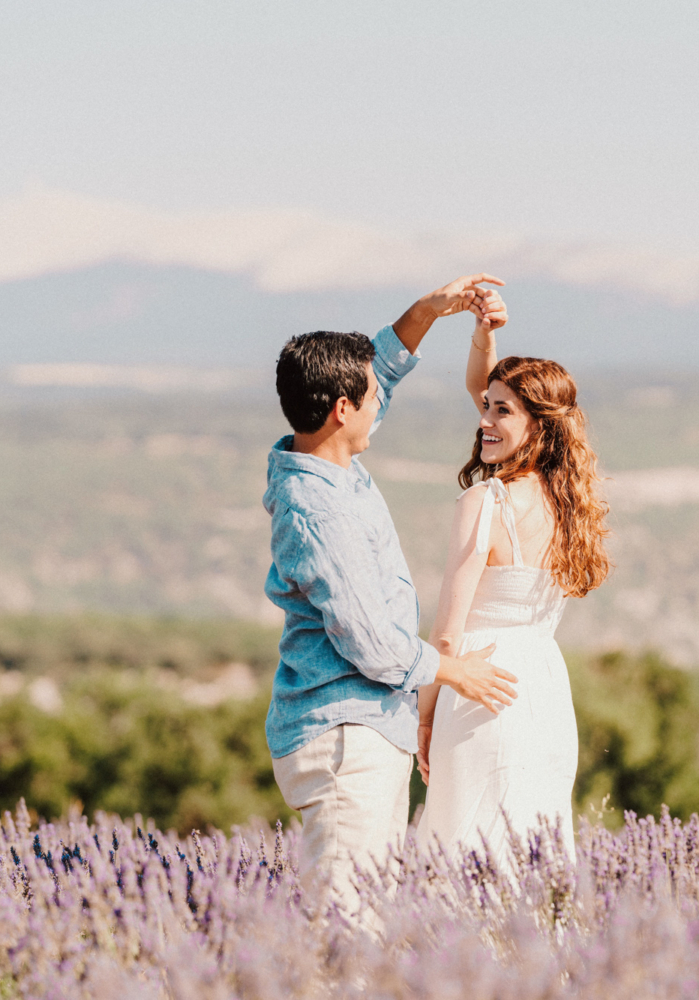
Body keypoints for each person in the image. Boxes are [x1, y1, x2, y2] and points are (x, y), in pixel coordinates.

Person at [263, 274, 521, 915]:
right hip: (348, 730)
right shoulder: (319, 510)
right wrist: (454, 671)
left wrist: (432, 311)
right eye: (371, 395)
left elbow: (380, 368)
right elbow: (372, 642)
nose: (382, 399)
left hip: (356, 725)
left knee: (357, 913)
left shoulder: (324, 461)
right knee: (349, 924)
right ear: (341, 409)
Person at [415, 303, 612, 861]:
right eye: (485, 407)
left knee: (465, 846)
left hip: (477, 683)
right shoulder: (571, 506)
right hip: (543, 689)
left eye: (502, 411)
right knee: (532, 849)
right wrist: (484, 335)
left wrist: (423, 714)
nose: (484, 420)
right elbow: (489, 389)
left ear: (536, 424)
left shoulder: (486, 502)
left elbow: (448, 637)